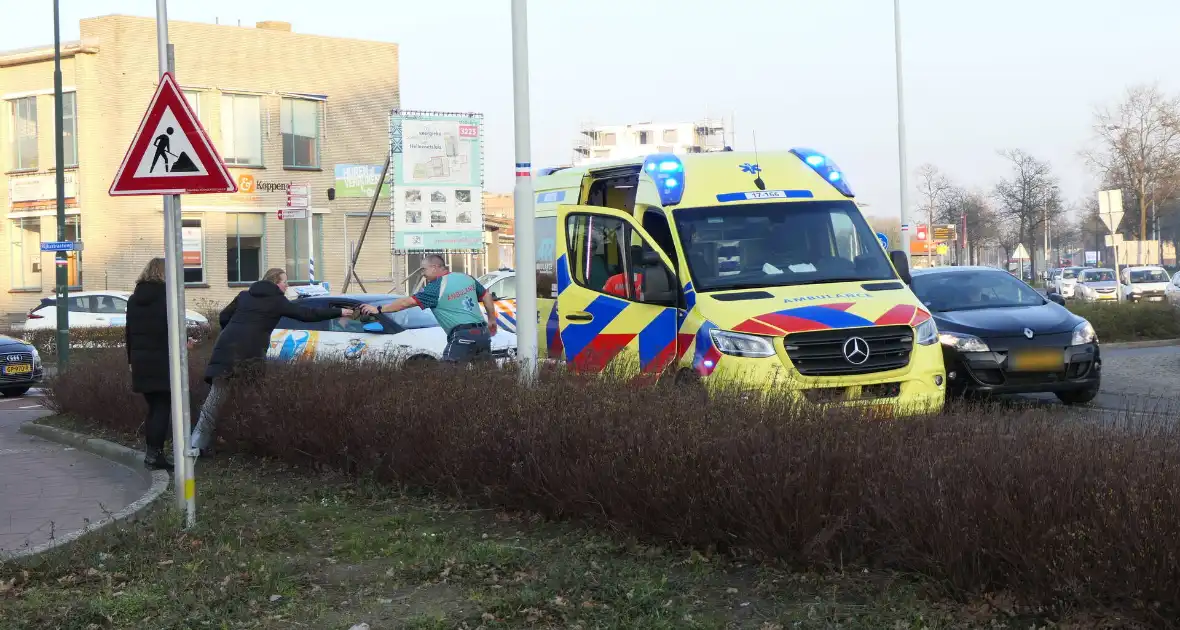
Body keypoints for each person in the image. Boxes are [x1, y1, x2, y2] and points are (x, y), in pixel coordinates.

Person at [190, 268, 354, 453]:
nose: (287, 285)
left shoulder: (244, 295)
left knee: (216, 398)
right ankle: (257, 443)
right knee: (253, 397)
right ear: (276, 282)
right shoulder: (277, 301)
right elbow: (307, 314)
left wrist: (235, 334)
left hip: (225, 348)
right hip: (249, 353)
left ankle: (196, 444)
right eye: (285, 281)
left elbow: (223, 317)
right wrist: (339, 311)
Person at [359, 254, 497, 362]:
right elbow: (486, 296)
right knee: (486, 376)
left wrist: (378, 309)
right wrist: (492, 320)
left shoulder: (435, 287)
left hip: (463, 336)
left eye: (424, 269)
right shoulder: (466, 278)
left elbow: (405, 303)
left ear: (434, 267)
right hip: (483, 333)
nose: (422, 273)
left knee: (448, 378)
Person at [126, 258, 193, 469]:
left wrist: (131, 360)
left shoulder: (133, 299)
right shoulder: (168, 297)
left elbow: (128, 333)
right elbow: (170, 328)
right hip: (163, 360)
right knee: (162, 407)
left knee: (154, 408)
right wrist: (184, 344)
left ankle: (152, 453)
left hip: (140, 361)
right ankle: (155, 456)